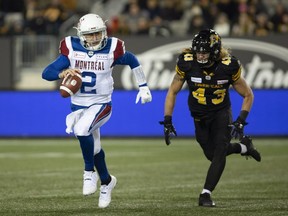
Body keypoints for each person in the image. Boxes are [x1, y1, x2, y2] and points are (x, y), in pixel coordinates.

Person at [42, 13, 152, 208]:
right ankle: (107, 181)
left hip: (102, 104)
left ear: (104, 32)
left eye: (98, 33)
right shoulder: (71, 48)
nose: (94, 38)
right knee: (95, 148)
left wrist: (143, 86)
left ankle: (88, 172)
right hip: (78, 107)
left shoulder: (113, 48)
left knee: (82, 130)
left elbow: (133, 60)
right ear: (81, 34)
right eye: (90, 34)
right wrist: (62, 72)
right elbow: (46, 73)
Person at [160, 29, 261, 207]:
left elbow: (248, 95)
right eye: (198, 51)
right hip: (199, 115)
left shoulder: (228, 66)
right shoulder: (187, 63)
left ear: (214, 51)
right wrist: (167, 119)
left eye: (204, 52)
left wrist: (240, 119)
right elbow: (172, 91)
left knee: (220, 151)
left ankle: (205, 194)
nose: (200, 56)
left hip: (221, 113)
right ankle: (244, 147)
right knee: (211, 155)